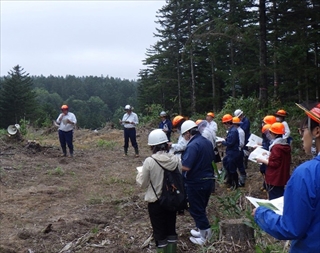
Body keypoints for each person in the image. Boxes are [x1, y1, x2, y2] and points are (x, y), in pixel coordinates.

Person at [253, 102, 320, 252]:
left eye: (303, 130)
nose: (302, 136)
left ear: (316, 131)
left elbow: (290, 227)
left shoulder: (307, 174)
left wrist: (261, 213)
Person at [136, 129, 180, 253]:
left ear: (152, 146)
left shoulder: (150, 161)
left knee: (159, 233)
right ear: (166, 144)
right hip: (172, 199)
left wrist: (138, 175)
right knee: (171, 228)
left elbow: (143, 183)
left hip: (156, 201)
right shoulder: (176, 159)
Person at [180, 120, 215, 245]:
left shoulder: (193, 145)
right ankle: (201, 231)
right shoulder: (206, 141)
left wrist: (174, 164)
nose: (184, 137)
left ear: (189, 133)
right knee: (201, 207)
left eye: (184, 134)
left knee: (196, 209)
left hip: (196, 182)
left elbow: (186, 166)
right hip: (208, 180)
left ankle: (205, 236)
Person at [256, 122, 291, 200]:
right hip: (281, 176)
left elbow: (274, 164)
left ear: (275, 134)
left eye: (271, 132)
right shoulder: (284, 145)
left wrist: (262, 160)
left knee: (274, 198)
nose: (269, 134)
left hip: (275, 178)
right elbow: (279, 159)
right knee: (280, 196)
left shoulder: (276, 147)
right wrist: (269, 155)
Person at [221, 114, 241, 190]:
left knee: (232, 169)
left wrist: (223, 142)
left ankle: (235, 185)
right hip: (230, 152)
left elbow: (230, 143)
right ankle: (229, 182)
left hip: (233, 153)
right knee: (227, 165)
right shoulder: (231, 130)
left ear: (227, 123)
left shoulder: (233, 131)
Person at [232, 117, 246, 186]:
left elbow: (241, 143)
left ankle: (242, 180)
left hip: (239, 150)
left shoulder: (240, 132)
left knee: (240, 165)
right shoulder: (234, 131)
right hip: (235, 150)